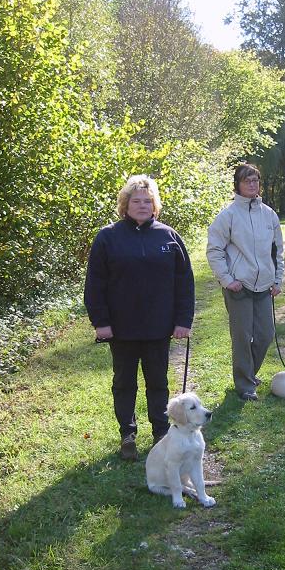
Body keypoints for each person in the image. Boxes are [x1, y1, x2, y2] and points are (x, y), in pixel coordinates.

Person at [84, 175, 194, 460]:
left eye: (148, 201)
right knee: (124, 382)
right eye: (136, 201)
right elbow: (95, 283)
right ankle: (127, 435)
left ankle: (160, 432)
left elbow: (184, 282)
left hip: (159, 326)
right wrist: (101, 322)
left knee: (157, 380)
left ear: (155, 205)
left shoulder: (169, 237)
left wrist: (184, 320)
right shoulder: (108, 237)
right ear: (125, 205)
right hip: (121, 328)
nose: (143, 206)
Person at [206, 163, 284, 401]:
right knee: (241, 336)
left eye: (256, 180)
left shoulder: (269, 214)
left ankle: (248, 374)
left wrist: (277, 279)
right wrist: (227, 279)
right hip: (239, 287)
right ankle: (245, 386)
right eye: (247, 180)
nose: (252, 184)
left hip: (264, 287)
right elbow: (214, 251)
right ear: (237, 185)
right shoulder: (227, 216)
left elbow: (277, 250)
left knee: (265, 335)